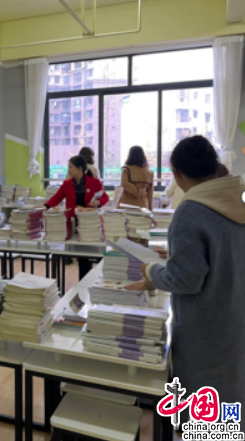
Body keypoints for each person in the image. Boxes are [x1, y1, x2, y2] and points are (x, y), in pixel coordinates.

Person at [126, 136, 245, 425]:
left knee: (202, 409)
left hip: (204, 327)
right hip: (234, 316)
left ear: (177, 173)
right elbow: (223, 254)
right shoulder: (235, 199)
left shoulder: (191, 211)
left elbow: (185, 280)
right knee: (229, 401)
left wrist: (151, 271)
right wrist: (175, 255)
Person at [44, 155, 109, 280]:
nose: (68, 170)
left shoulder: (94, 182)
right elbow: (57, 198)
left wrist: (98, 202)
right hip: (74, 224)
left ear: (79, 169)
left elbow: (105, 197)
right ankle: (83, 284)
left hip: (89, 225)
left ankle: (88, 283)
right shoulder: (67, 184)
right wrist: (45, 206)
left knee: (88, 257)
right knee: (80, 257)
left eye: (70, 167)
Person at [118, 146, 154, 211]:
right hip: (143, 205)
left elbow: (124, 183)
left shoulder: (126, 169)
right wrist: (150, 209)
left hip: (126, 204)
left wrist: (136, 191)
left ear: (130, 156)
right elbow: (150, 194)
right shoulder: (150, 172)